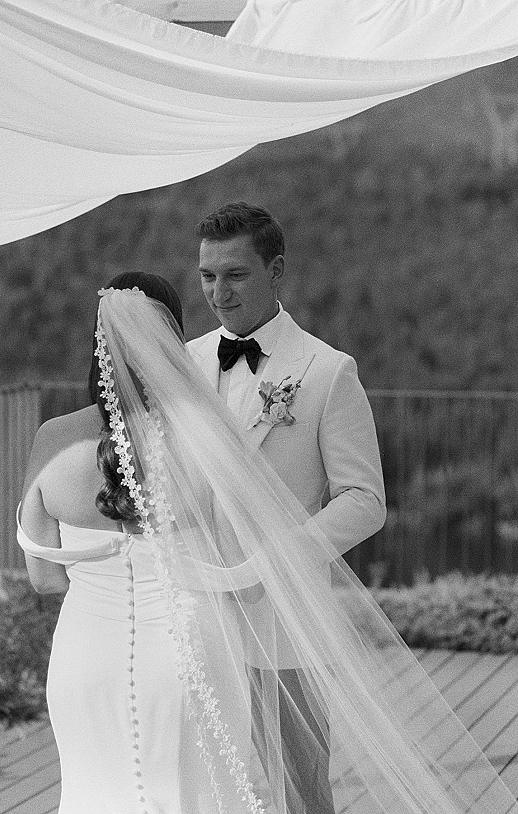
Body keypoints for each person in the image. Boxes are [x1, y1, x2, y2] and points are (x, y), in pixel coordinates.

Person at [17, 272, 516, 814]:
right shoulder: (202, 439)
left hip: (85, 657)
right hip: (193, 647)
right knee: (200, 793)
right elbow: (238, 531)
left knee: (95, 791)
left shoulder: (52, 438)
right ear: (171, 341)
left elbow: (45, 578)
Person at [188, 201, 385, 813]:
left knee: (301, 788)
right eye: (207, 276)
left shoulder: (327, 371)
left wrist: (282, 557)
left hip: (288, 619)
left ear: (276, 271)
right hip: (197, 615)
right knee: (208, 782)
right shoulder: (184, 363)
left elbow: (365, 500)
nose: (219, 292)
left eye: (235, 275)